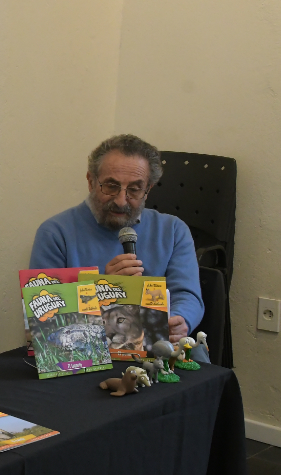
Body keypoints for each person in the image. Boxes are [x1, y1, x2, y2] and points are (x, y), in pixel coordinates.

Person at [29, 134, 204, 342]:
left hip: (156, 349)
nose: (121, 201)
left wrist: (180, 319)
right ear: (91, 181)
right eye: (111, 186)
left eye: (134, 190)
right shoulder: (55, 233)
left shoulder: (173, 230)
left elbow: (187, 295)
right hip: (84, 353)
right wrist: (104, 289)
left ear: (148, 190)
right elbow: (44, 318)